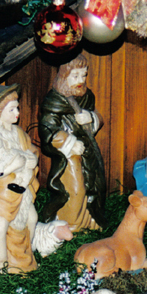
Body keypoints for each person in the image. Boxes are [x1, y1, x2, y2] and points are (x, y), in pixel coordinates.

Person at [39, 54, 107, 231]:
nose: (80, 80)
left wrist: (91, 118)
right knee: (76, 189)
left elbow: (97, 116)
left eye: (83, 75)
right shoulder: (53, 101)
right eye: (75, 76)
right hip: (68, 155)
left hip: (88, 151)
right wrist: (69, 142)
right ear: (64, 75)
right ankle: (70, 223)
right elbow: (47, 128)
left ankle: (88, 221)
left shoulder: (86, 96)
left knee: (92, 185)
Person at [0, 84, 40, 280]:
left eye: (17, 108)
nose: (17, 113)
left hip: (22, 188)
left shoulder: (18, 133)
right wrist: (14, 165)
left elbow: (32, 151)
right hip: (3, 191)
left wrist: (31, 159)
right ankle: (0, 269)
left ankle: (25, 259)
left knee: (32, 218)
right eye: (11, 109)